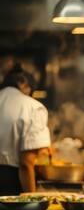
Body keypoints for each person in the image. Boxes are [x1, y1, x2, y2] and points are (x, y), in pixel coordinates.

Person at [0, 64, 51, 195]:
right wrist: (32, 198)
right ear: (24, 84)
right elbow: (26, 162)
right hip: (9, 184)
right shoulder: (33, 107)